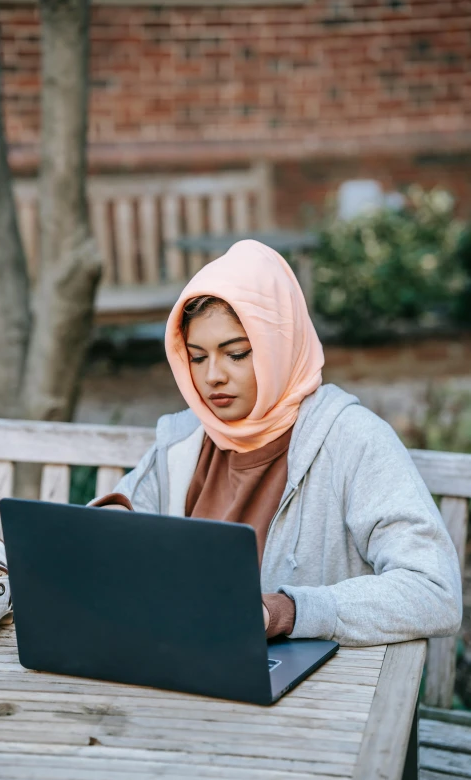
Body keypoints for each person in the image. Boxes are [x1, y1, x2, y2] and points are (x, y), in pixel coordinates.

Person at [89, 239, 462, 645]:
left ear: (279, 346)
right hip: (187, 669)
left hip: (320, 692)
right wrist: (107, 532)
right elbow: (109, 532)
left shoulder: (351, 439)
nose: (212, 376)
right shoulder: (185, 440)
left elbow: (433, 590)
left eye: (236, 354)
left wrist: (289, 612)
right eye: (197, 357)